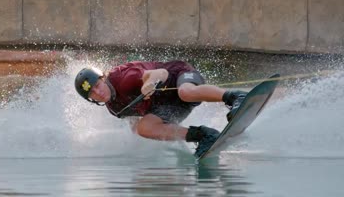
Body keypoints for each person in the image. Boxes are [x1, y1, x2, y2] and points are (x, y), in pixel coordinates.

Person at [74, 60, 247, 157]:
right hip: (171, 106)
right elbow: (136, 124)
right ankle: (203, 136)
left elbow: (161, 73)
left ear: (102, 78)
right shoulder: (114, 109)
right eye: (93, 94)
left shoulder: (123, 77)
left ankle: (235, 97)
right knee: (143, 128)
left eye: (97, 85)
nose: (98, 92)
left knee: (185, 92)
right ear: (91, 100)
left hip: (179, 77)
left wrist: (148, 83)